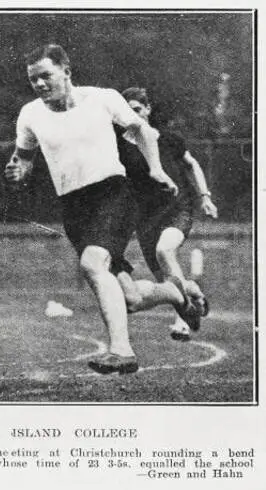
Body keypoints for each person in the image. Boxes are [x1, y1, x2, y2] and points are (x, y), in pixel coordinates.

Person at [4, 44, 200, 375]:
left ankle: (122, 351)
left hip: (113, 195)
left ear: (66, 70)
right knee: (129, 299)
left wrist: (155, 168)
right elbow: (23, 158)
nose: (38, 84)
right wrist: (18, 171)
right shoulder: (30, 114)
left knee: (93, 263)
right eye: (33, 79)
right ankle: (176, 295)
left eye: (45, 76)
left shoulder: (102, 98)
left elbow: (142, 130)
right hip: (73, 207)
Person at [117, 87, 217, 341]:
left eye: (137, 110)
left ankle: (182, 320)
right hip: (145, 220)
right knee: (169, 283)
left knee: (165, 251)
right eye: (127, 112)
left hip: (176, 209)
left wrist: (205, 197)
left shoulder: (168, 139)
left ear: (148, 109)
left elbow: (191, 164)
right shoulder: (119, 147)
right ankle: (191, 289)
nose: (133, 116)